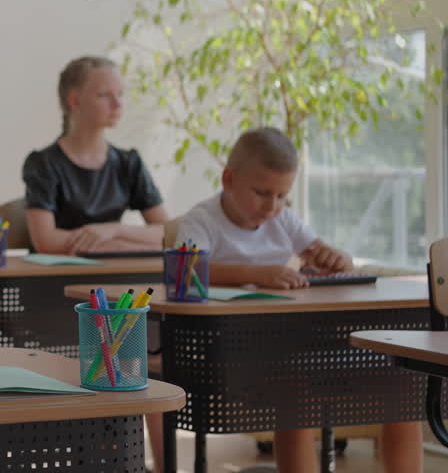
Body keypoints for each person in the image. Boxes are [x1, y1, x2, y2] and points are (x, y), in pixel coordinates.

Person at [178, 127, 421, 473]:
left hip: (302, 339)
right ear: (228, 179)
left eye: (282, 196)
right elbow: (187, 272)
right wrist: (258, 273)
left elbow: (319, 252)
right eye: (262, 192)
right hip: (241, 347)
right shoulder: (202, 220)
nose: (272, 206)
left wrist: (335, 259)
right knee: (295, 396)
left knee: (403, 389)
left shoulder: (283, 220)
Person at [23, 56, 167, 254]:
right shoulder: (43, 164)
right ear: (74, 101)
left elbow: (167, 233)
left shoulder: (129, 163)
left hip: (117, 277)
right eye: (104, 95)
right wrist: (123, 246)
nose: (117, 104)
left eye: (120, 94)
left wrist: (114, 230)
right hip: (57, 278)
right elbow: (46, 241)